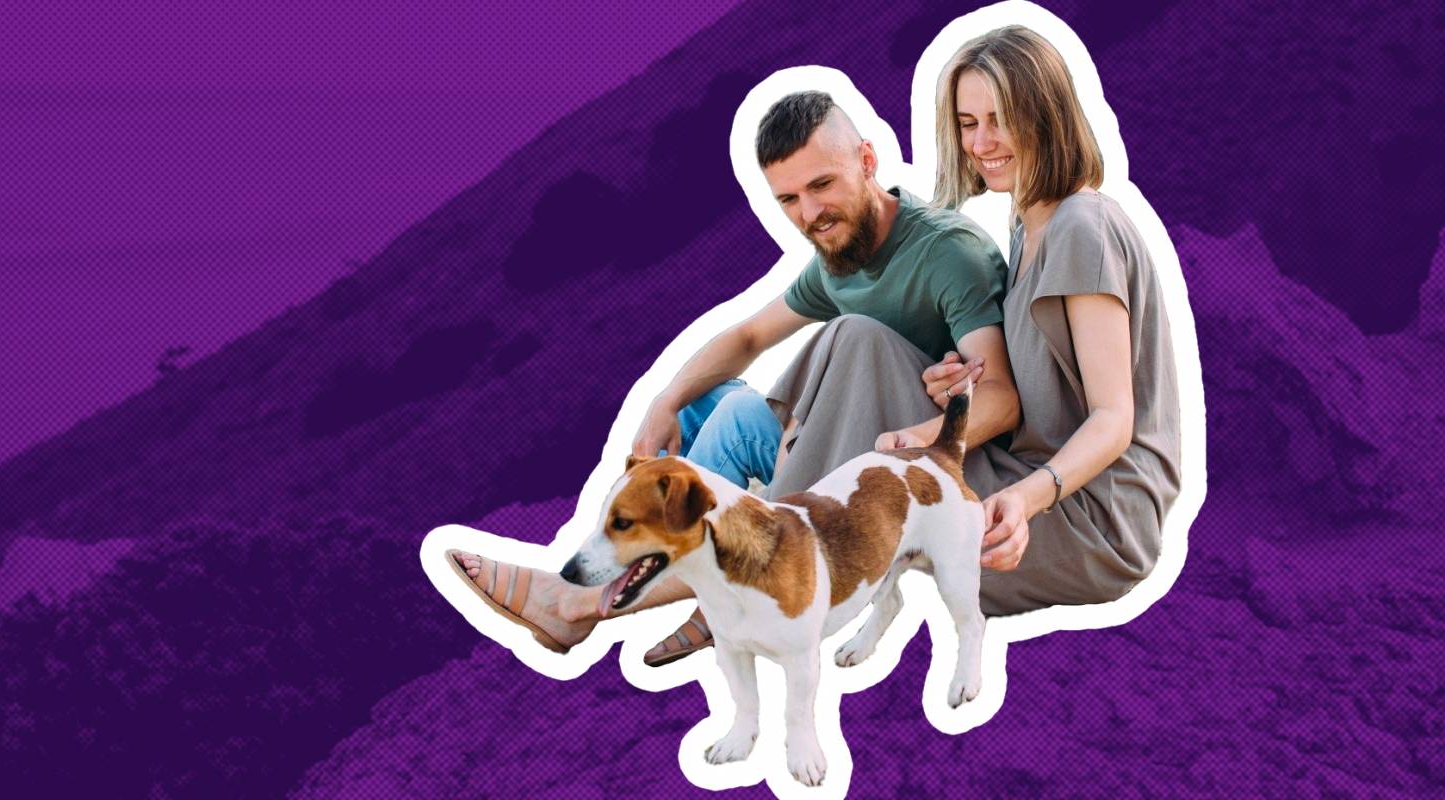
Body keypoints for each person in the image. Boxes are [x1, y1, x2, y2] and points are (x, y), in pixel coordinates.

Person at [446, 90, 1021, 662]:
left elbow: (1000, 398)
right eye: (789, 199)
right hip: (843, 441)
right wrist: (664, 401)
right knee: (706, 402)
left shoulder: (948, 253)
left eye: (821, 186)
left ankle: (581, 601)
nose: (809, 214)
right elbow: (748, 336)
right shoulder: (843, 250)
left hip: (897, 479)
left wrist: (917, 437)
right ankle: (700, 584)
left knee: (792, 380)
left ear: (867, 162)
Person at [764, 24, 1183, 615]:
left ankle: (766, 560)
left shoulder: (1080, 229)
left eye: (1000, 118)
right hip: (1032, 472)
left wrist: (1026, 498)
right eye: (967, 123)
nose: (982, 142)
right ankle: (775, 530)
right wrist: (956, 380)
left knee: (871, 438)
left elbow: (1114, 419)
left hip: (1092, 517)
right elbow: (1046, 384)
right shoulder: (1027, 223)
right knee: (860, 341)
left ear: (1045, 114)